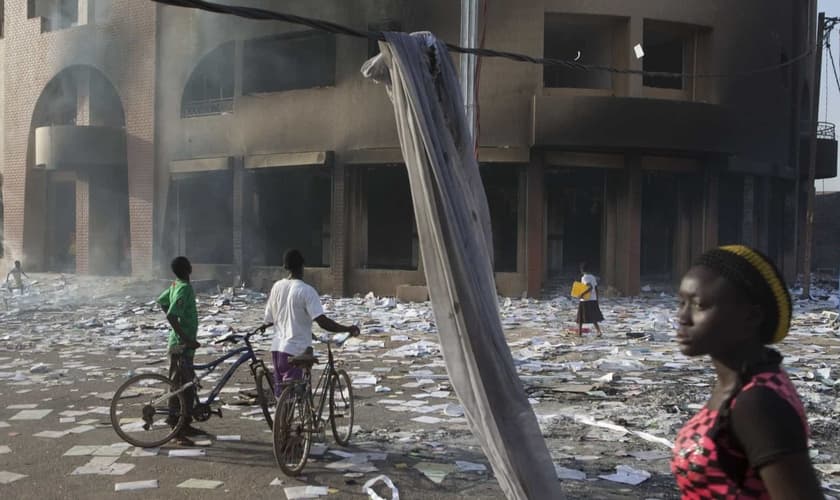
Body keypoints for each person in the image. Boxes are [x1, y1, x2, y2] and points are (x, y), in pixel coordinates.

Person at [672, 245, 823, 499]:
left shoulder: (757, 403)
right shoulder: (737, 385)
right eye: (681, 303)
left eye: (699, 305)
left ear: (751, 316)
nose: (682, 317)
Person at [263, 249, 359, 395]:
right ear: (303, 266)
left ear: (285, 267)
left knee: (281, 395)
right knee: (294, 395)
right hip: (295, 352)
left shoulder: (277, 287)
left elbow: (270, 319)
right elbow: (322, 322)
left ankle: (282, 409)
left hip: (277, 350)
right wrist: (347, 329)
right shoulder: (306, 291)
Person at [156, 256, 205, 446]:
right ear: (187, 269)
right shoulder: (183, 288)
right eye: (190, 265)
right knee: (179, 388)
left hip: (185, 346)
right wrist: (185, 339)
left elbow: (162, 301)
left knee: (188, 387)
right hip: (181, 346)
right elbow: (171, 315)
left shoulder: (176, 284)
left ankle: (185, 424)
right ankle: (175, 428)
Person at [576, 262, 603, 336]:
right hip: (593, 299)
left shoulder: (584, 277)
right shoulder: (593, 277)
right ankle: (599, 331)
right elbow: (596, 288)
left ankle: (579, 333)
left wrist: (581, 294)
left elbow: (589, 287)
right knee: (593, 317)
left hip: (585, 300)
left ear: (581, 270)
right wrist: (597, 298)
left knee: (580, 317)